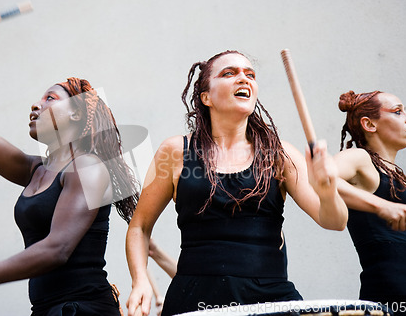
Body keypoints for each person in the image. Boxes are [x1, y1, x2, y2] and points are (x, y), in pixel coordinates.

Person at [0, 22, 139, 316]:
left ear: (76, 112)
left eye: (50, 98)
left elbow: (56, 249)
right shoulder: (35, 169)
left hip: (83, 310)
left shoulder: (88, 167)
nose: (35, 105)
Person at [126, 50, 348, 316]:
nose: (244, 78)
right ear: (205, 97)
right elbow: (140, 226)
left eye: (250, 74)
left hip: (270, 298)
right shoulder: (175, 151)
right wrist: (140, 280)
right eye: (229, 73)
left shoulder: (280, 154)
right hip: (195, 298)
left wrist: (328, 191)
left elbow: (334, 221)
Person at [334, 90, 406, 313]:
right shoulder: (361, 158)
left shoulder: (399, 176)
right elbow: (322, 178)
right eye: (397, 112)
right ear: (369, 124)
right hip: (392, 296)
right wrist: (381, 205)